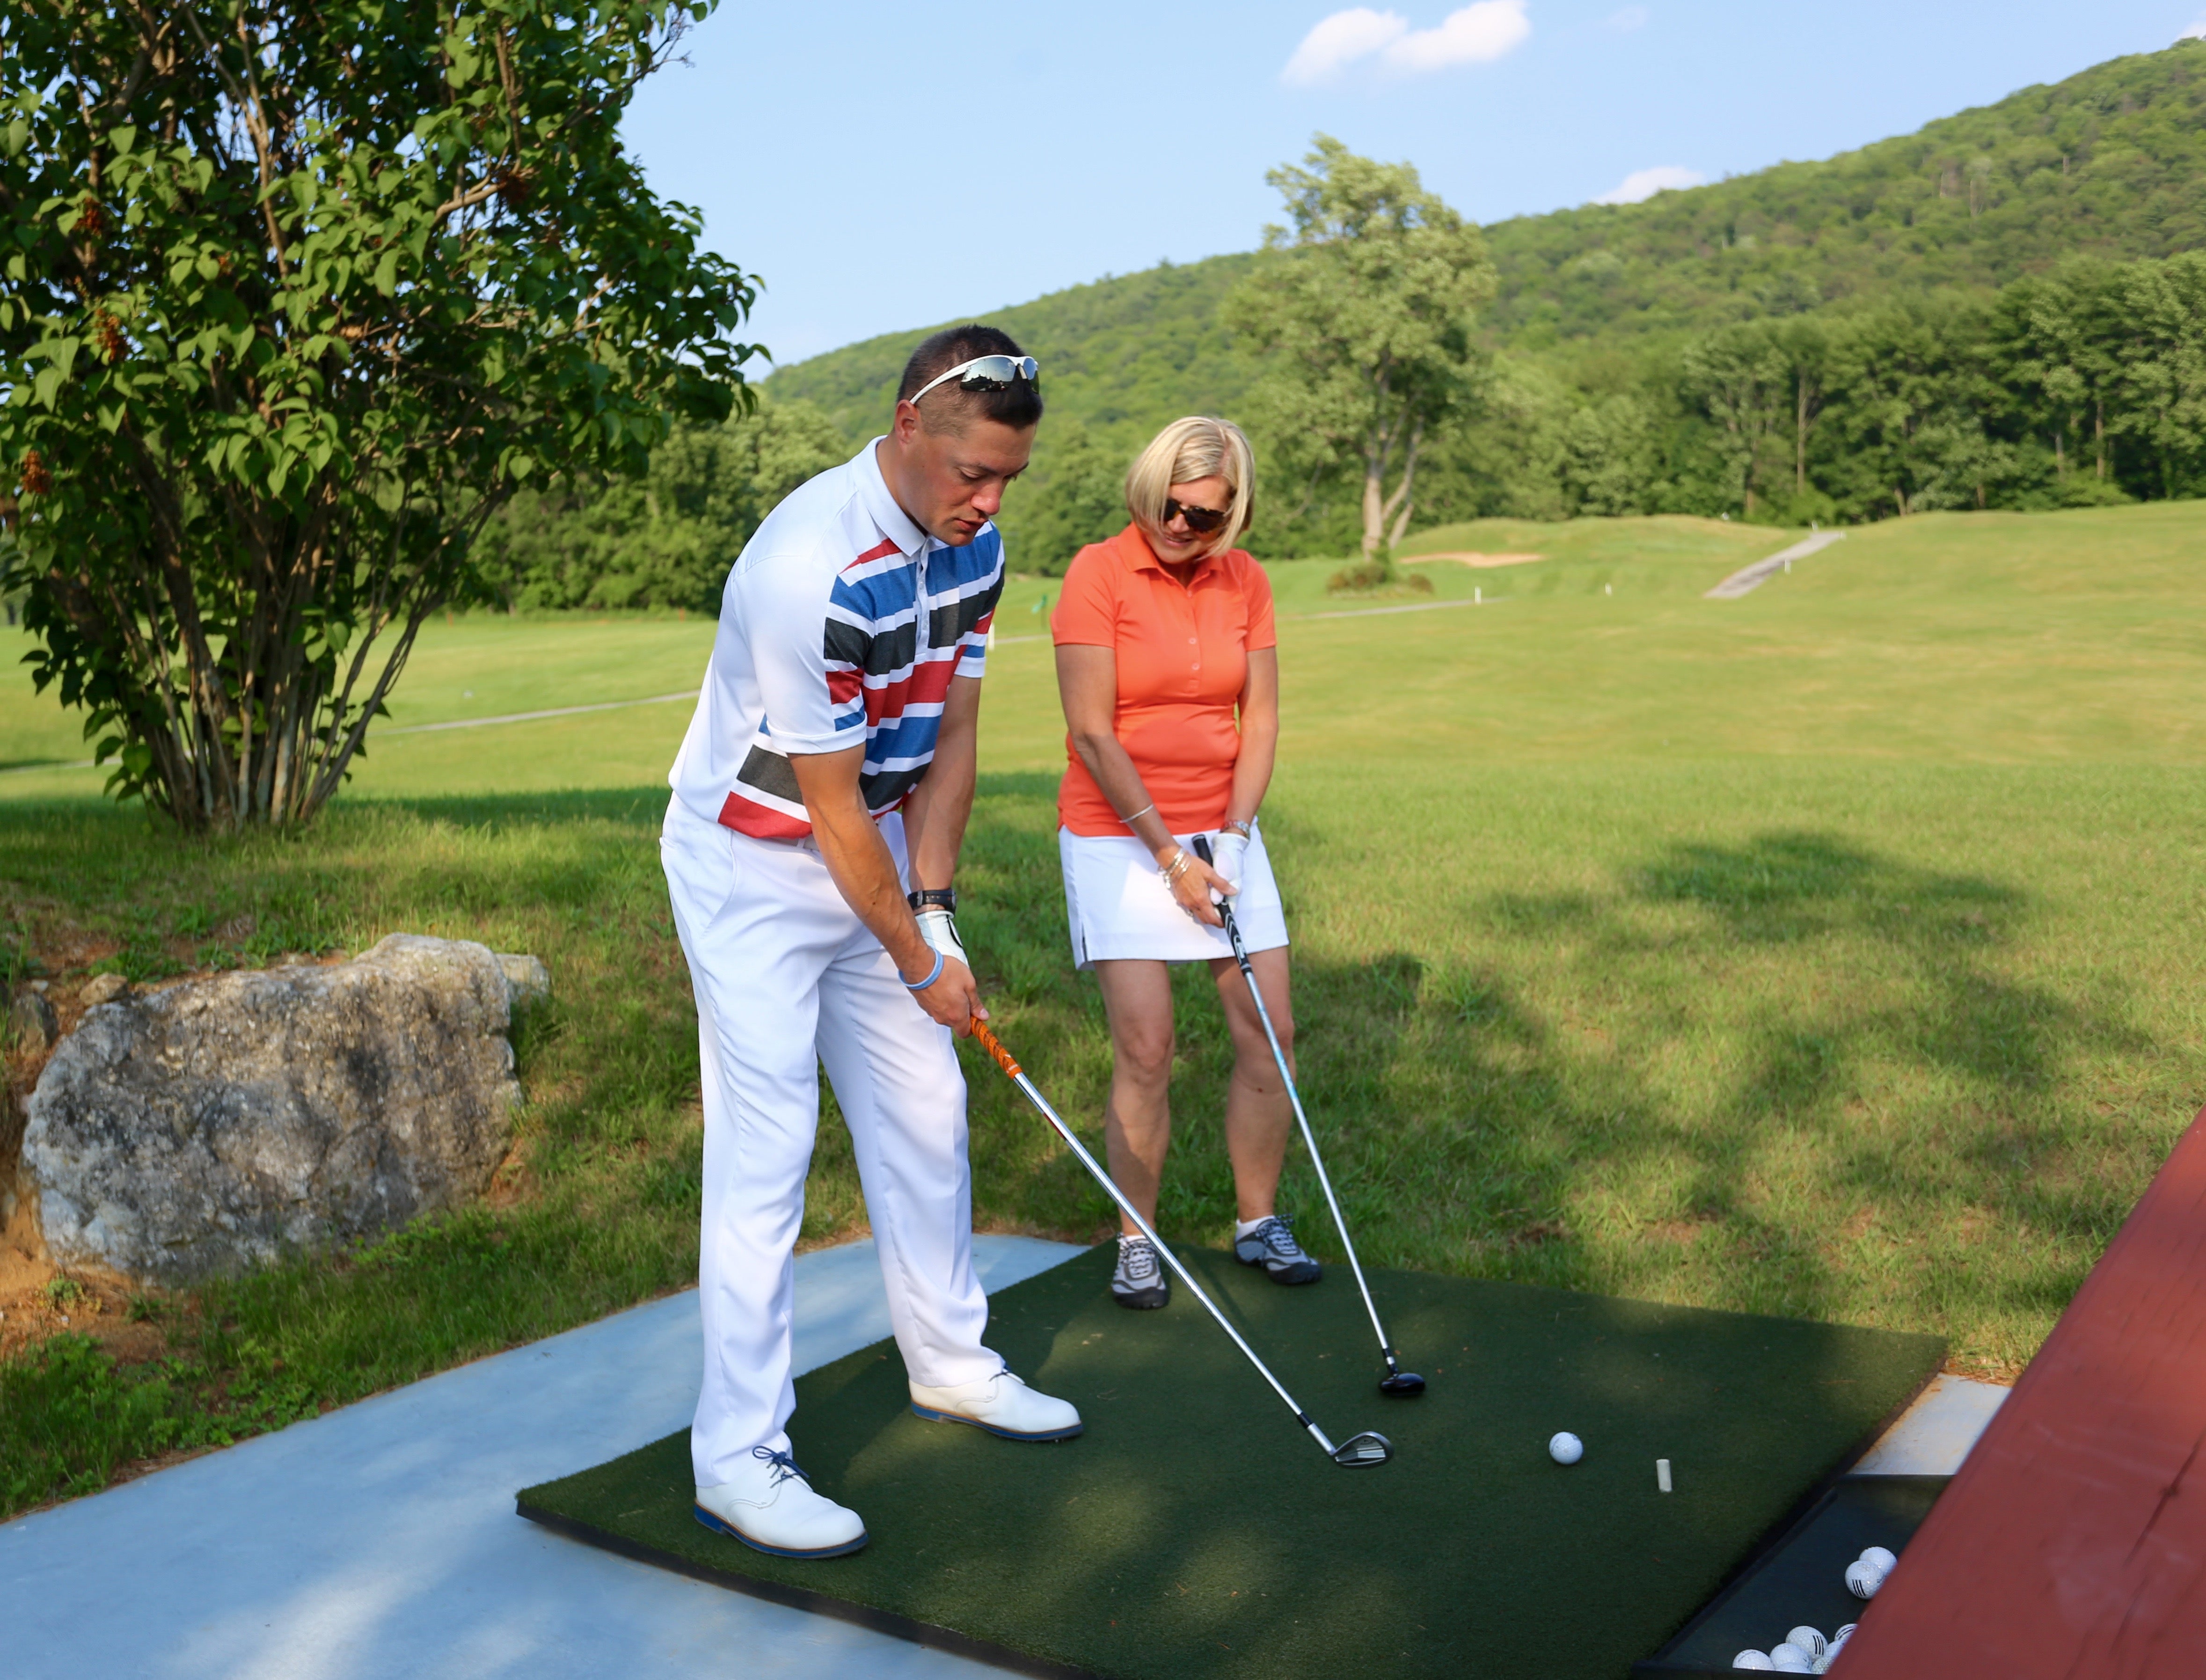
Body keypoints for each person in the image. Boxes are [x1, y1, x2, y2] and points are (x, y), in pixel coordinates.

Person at [660, 326, 1081, 1562]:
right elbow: (829, 804)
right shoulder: (808, 567)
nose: (990, 502)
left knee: (927, 1109)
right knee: (768, 1147)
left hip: (875, 851)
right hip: (752, 861)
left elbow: (951, 738)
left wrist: (935, 917)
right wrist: (915, 959)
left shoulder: (975, 547)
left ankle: (950, 1360)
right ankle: (737, 1455)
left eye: (1008, 477)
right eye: (971, 474)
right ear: (909, 429)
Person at [1048, 416, 1319, 1312]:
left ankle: (1257, 1221)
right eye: (1169, 505)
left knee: (1268, 1035)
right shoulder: (1097, 572)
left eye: (1203, 516)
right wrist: (1170, 855)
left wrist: (1232, 837)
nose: (1180, 526)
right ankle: (1136, 1239)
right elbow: (1091, 729)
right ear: (1147, 487)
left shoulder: (1245, 581)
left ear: (1232, 515)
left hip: (1223, 832)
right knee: (1146, 1046)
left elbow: (1262, 719)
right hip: (1118, 836)